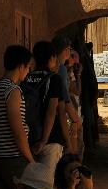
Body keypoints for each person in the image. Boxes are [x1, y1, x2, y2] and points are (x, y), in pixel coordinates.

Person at [0, 45, 34, 189]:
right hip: (14, 159)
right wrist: (30, 159)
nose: (28, 72)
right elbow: (18, 131)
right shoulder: (13, 91)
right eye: (28, 68)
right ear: (21, 66)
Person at [21, 40, 72, 180]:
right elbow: (55, 113)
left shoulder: (25, 78)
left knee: (30, 184)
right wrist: (66, 141)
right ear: (51, 58)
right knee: (45, 185)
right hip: (50, 140)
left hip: (28, 140)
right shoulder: (54, 79)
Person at [52, 34, 82, 154]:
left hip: (56, 116)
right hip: (64, 115)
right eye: (69, 50)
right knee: (71, 151)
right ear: (65, 50)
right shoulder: (62, 69)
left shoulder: (56, 68)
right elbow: (65, 98)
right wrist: (75, 119)